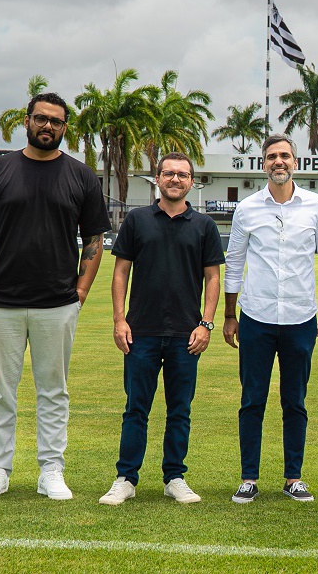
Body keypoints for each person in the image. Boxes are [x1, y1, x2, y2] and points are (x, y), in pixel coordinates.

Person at [0, 92, 110, 501]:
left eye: (57, 122)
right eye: (41, 119)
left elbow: (94, 238)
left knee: (54, 390)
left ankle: (51, 470)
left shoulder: (80, 176)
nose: (49, 126)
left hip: (58, 303)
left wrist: (80, 291)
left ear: (65, 128)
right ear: (26, 121)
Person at [98, 152, 224, 506]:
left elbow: (213, 276)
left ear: (191, 182)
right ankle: (126, 478)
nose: (175, 179)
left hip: (187, 334)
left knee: (179, 409)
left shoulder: (204, 225)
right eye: (169, 173)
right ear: (158, 179)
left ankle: (175, 477)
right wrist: (119, 319)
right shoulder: (138, 220)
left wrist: (206, 323)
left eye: (182, 175)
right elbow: (121, 271)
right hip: (142, 332)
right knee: (136, 407)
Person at [223, 133, 318, 503]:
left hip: (300, 318)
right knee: (252, 399)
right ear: (263, 164)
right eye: (272, 156)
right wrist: (229, 314)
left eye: (285, 156)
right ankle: (249, 477)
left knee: (295, 401)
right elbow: (235, 263)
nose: (279, 162)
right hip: (255, 316)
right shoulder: (247, 209)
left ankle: (293, 477)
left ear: (295, 162)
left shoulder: (316, 206)